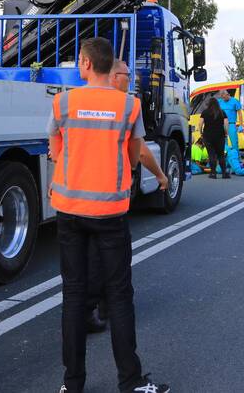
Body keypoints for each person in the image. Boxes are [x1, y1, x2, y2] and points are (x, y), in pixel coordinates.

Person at [48, 39, 170, 393]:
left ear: (85, 64)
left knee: (73, 295)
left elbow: (55, 148)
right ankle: (130, 382)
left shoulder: (63, 102)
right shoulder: (129, 107)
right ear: (108, 67)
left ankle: (72, 385)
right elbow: (134, 156)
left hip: (69, 209)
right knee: (118, 296)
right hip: (110, 211)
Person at [200, 96, 230, 179]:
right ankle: (224, 173)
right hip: (220, 136)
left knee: (211, 154)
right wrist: (226, 133)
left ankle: (213, 173)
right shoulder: (222, 112)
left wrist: (201, 132)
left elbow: (200, 123)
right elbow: (226, 124)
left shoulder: (205, 112)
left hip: (208, 136)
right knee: (221, 154)